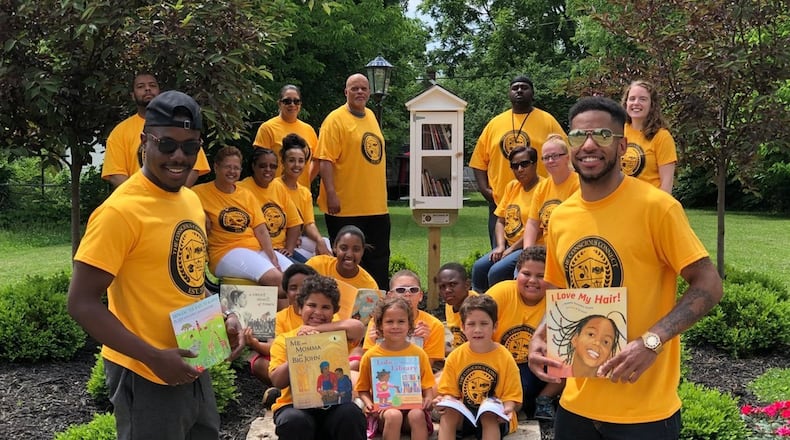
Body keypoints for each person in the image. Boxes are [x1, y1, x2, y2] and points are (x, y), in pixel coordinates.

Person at [527, 96, 723, 439]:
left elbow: (709, 284)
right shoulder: (560, 218)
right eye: (578, 136)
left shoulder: (657, 208)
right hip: (576, 405)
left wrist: (652, 341)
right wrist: (543, 333)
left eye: (602, 135)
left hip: (645, 411)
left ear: (622, 144)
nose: (589, 145)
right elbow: (561, 291)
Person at [68, 90, 244, 439]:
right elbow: (81, 303)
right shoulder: (120, 212)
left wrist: (223, 316)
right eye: (167, 144)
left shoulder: (191, 201)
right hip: (145, 373)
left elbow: (190, 278)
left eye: (190, 147)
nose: (179, 156)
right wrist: (152, 356)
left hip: (193, 362)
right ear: (144, 141)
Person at [469, 75, 565, 247]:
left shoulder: (547, 121)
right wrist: (485, 190)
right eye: (515, 88)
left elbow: (565, 155)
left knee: (533, 261)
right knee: (498, 257)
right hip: (502, 203)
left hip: (540, 202)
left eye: (524, 87)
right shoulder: (495, 124)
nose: (519, 90)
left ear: (533, 93)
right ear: (509, 93)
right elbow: (478, 161)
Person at [315, 73, 390, 290]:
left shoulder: (371, 116)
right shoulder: (334, 120)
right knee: (348, 261)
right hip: (346, 207)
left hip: (376, 206)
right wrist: (330, 193)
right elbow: (325, 160)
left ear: (368, 92)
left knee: (379, 259)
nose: (359, 92)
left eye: (363, 88)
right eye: (354, 88)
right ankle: (345, 305)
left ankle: (377, 306)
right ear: (345, 92)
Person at [269, 275, 367, 440]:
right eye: (312, 305)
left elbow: (358, 328)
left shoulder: (335, 334)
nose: (318, 312)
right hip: (294, 406)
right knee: (294, 421)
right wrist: (299, 349)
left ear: (334, 311)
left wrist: (320, 330)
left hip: (333, 405)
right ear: (300, 308)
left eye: (325, 307)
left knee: (351, 413)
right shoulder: (285, 340)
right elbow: (277, 381)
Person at [191, 146, 291, 308]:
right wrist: (200, 215)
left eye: (236, 168)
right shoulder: (198, 193)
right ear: (216, 167)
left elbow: (260, 229)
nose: (232, 171)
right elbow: (183, 208)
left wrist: (271, 256)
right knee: (277, 279)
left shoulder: (245, 194)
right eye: (228, 167)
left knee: (296, 276)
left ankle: (284, 325)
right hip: (225, 252)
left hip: (254, 249)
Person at [486, 246, 563, 421]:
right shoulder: (501, 292)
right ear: (516, 273)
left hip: (539, 370)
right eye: (526, 274)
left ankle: (544, 399)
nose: (533, 281)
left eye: (541, 276)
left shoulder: (560, 300)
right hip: (499, 362)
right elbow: (476, 325)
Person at [435, 295, 522, 440]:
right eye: (471, 324)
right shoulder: (455, 356)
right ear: (462, 327)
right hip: (466, 415)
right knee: (449, 413)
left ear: (495, 326)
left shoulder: (504, 357)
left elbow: (512, 396)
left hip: (497, 417)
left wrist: (508, 408)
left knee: (488, 415)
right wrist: (444, 401)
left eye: (484, 323)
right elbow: (450, 392)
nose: (477, 329)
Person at [101, 73, 210, 188]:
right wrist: (142, 198)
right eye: (140, 86)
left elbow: (195, 168)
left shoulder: (178, 124)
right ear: (132, 95)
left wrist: (173, 193)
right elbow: (115, 173)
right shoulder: (120, 132)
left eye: (152, 85)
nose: (147, 89)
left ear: (159, 92)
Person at [356, 297, 436, 440]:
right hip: (385, 413)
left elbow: (427, 386)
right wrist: (368, 404)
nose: (395, 326)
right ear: (380, 325)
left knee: (417, 414)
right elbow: (362, 389)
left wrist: (428, 399)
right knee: (394, 415)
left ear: (409, 325)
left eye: (401, 321)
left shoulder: (418, 353)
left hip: (412, 409)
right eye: (389, 322)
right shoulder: (371, 355)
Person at [245, 263, 320, 408]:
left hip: (318, 361)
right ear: (286, 293)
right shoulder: (280, 317)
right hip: (287, 364)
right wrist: (254, 343)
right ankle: (285, 391)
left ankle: (281, 393)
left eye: (304, 286)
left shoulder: (321, 314)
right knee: (259, 363)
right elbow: (273, 348)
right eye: (293, 288)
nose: (299, 292)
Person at [471, 147, 542, 293]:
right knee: (479, 267)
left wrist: (511, 249)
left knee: (497, 271)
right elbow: (500, 220)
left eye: (524, 164)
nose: (520, 169)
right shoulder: (512, 187)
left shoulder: (544, 188)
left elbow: (539, 229)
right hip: (508, 246)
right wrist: (500, 246)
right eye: (515, 166)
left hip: (531, 247)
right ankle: (478, 303)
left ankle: (499, 304)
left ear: (535, 164)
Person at [364, 270, 446, 373]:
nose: (407, 294)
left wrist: (422, 343)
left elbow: (426, 371)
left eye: (413, 290)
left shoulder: (434, 325)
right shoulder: (377, 322)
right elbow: (370, 367)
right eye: (401, 290)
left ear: (420, 296)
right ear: (390, 295)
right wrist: (375, 343)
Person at [238, 147, 304, 263]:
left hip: (281, 249)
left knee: (314, 269)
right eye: (263, 166)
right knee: (305, 275)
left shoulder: (278, 187)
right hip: (259, 250)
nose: (268, 170)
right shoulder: (241, 189)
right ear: (253, 166)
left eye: (273, 166)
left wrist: (289, 248)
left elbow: (295, 224)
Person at [279, 133, 332, 260]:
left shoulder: (304, 192)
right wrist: (290, 238)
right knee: (310, 263)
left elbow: (309, 224)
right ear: (283, 162)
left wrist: (319, 241)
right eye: (291, 160)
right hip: (280, 240)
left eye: (301, 161)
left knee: (326, 245)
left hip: (300, 239)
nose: (297, 165)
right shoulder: (275, 187)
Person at [253, 84, 319, 187]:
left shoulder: (309, 130)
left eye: (296, 101)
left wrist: (306, 180)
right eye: (287, 101)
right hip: (273, 191)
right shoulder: (267, 128)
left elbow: (316, 160)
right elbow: (258, 163)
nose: (292, 104)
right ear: (279, 103)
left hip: (301, 193)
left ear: (300, 104)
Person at [522, 134, 580, 248]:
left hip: (570, 247)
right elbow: (533, 223)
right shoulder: (541, 188)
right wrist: (527, 251)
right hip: (546, 249)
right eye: (546, 157)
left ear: (567, 158)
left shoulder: (579, 184)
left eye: (555, 156)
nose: (550, 161)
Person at [620, 80, 677, 193]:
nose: (636, 103)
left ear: (652, 105)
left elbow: (667, 182)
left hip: (649, 205)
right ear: (626, 103)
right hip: (621, 203)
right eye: (632, 98)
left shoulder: (662, 136)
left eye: (643, 99)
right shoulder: (618, 131)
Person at [553, 313, 625, 378]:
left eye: (606, 342)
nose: (597, 343)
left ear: (609, 355)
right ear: (575, 339)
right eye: (591, 334)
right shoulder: (555, 373)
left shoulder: (608, 386)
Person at [434, 262, 477, 354]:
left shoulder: (478, 308)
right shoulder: (451, 303)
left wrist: (448, 351)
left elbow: (479, 348)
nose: (447, 290)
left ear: (467, 285)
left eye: (452, 284)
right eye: (442, 287)